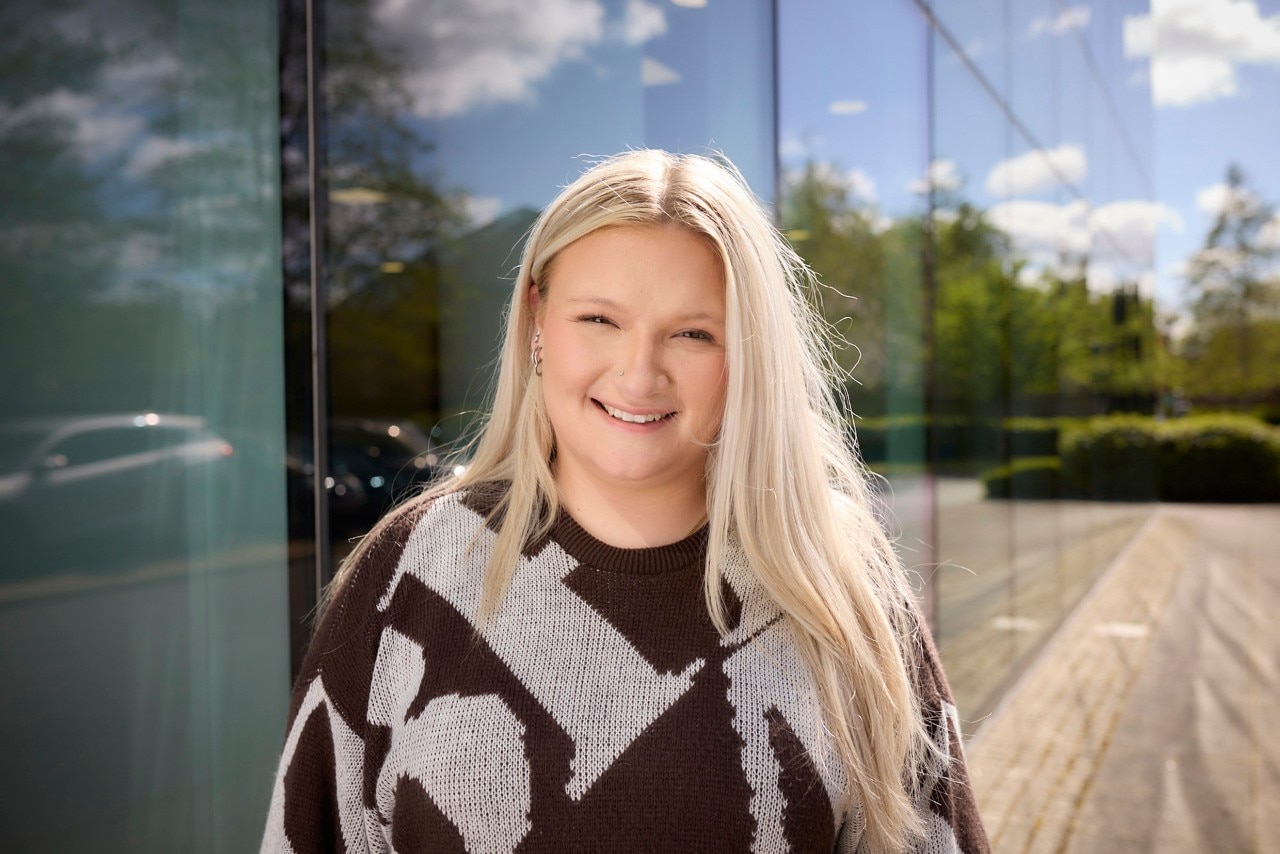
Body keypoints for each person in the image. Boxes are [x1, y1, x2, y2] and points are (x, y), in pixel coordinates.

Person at [260, 150, 989, 853]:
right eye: (599, 320)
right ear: (537, 321)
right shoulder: (411, 569)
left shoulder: (839, 583)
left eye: (693, 334)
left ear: (748, 355)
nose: (639, 376)